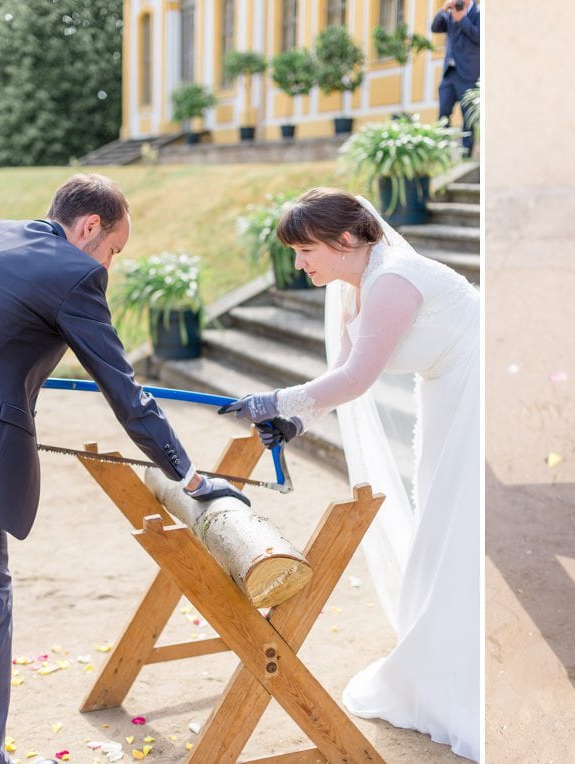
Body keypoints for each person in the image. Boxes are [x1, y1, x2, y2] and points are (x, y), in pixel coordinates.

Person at [0, 173, 247, 764]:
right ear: (90, 226)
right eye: (114, 250)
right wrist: (190, 476)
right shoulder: (71, 273)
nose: (110, 266)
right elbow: (126, 393)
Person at [221, 188, 480, 760]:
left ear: (345, 241)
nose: (299, 264)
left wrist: (271, 401)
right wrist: (293, 424)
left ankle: (464, 667)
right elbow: (338, 374)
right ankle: (442, 653)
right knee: (444, 518)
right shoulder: (354, 286)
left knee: (458, 522)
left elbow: (359, 378)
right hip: (445, 397)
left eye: (305, 250)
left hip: (475, 392)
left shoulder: (394, 278)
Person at [431, 0, 481, 156]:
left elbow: (479, 37)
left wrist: (462, 20)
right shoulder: (451, 11)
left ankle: (466, 151)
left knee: (468, 116)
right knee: (443, 112)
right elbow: (435, 28)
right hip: (449, 73)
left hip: (468, 72)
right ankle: (442, 150)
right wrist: (443, 9)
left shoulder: (479, 13)